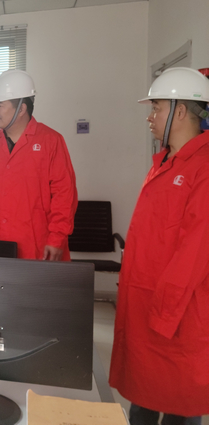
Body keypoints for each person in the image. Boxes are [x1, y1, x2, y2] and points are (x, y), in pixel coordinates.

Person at [109, 67, 209, 424]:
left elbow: (195, 253)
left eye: (156, 108)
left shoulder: (202, 168)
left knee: (181, 402)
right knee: (144, 395)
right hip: (147, 305)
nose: (150, 117)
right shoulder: (166, 161)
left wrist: (163, 314)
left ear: (180, 111)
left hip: (177, 314)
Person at [0, 69, 77, 260]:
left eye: (0, 105)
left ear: (21, 109)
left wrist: (57, 237)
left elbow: (64, 194)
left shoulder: (51, 141)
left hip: (37, 247)